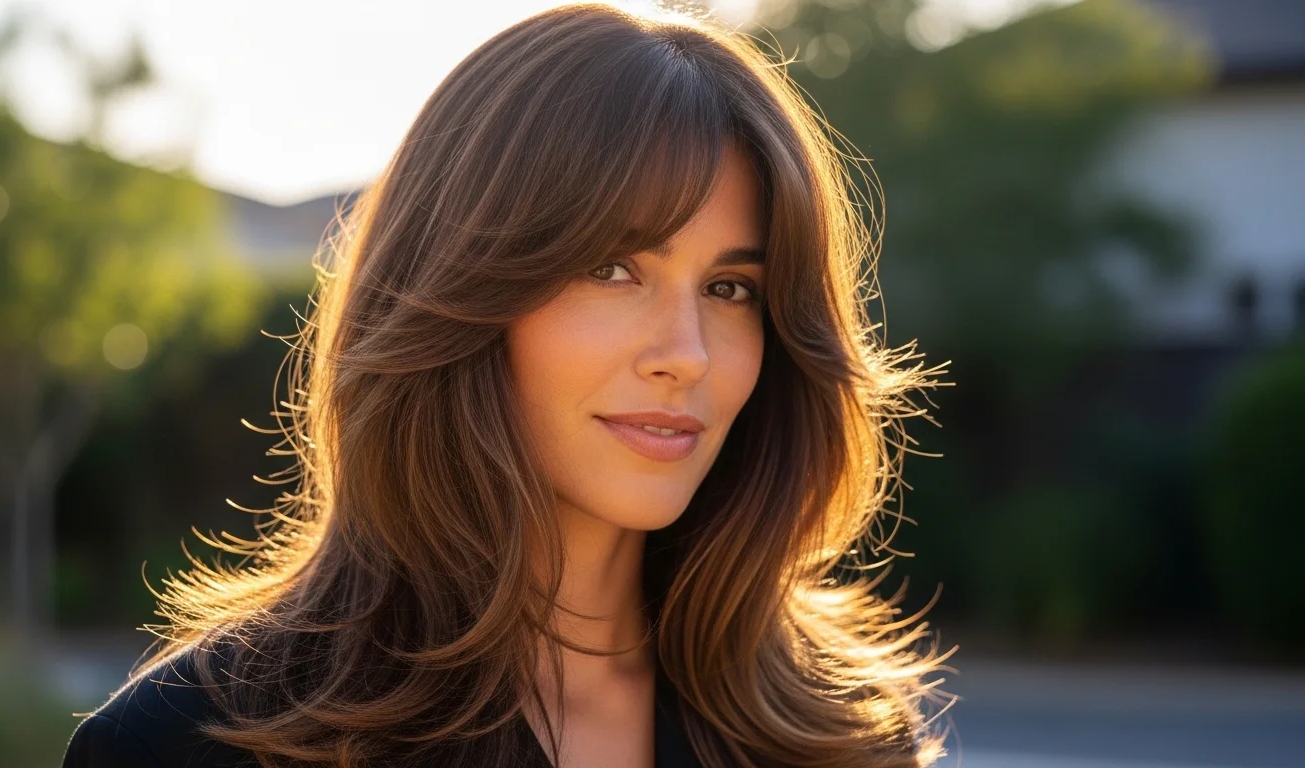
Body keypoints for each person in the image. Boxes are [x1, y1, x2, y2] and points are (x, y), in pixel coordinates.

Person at [60, 3, 956, 766]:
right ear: (458, 290)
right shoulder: (197, 744)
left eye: (731, 290)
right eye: (613, 267)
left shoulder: (845, 738)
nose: (687, 354)